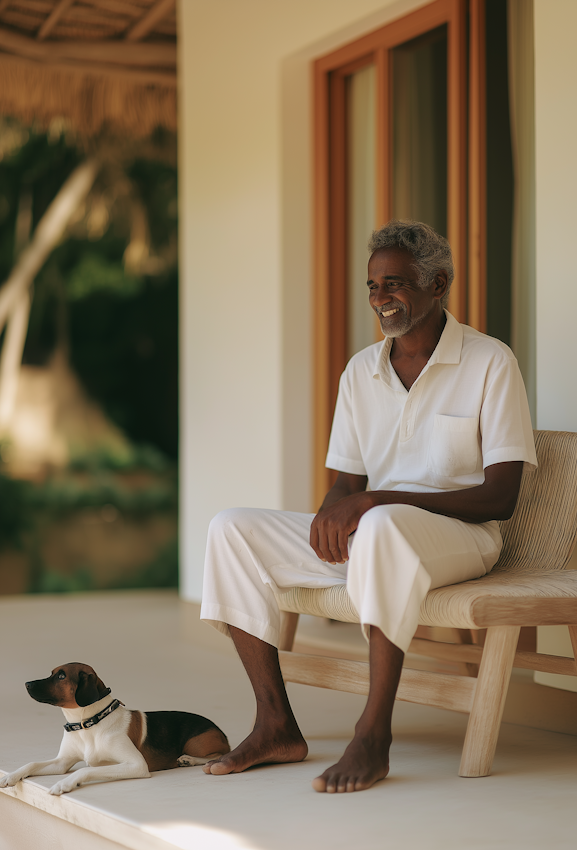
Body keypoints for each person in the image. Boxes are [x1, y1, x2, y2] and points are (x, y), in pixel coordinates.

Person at [200, 220, 537, 793]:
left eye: (396, 284)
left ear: (440, 282)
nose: (381, 299)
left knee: (380, 523)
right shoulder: (361, 371)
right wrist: (334, 512)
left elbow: (500, 498)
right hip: (378, 533)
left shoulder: (491, 362)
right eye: (373, 286)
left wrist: (374, 500)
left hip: (465, 539)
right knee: (231, 528)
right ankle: (276, 723)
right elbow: (346, 480)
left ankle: (373, 734)